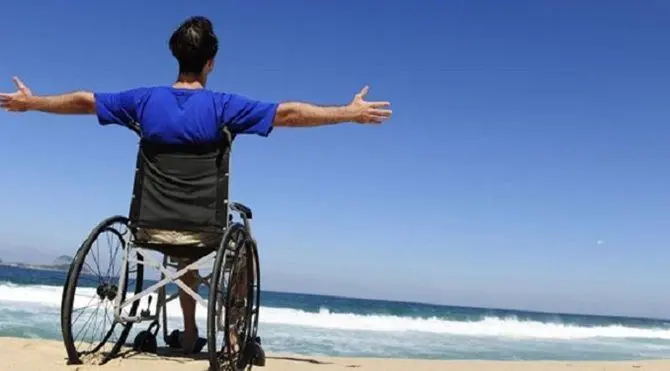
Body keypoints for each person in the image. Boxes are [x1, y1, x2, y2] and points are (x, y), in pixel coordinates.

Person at [0, 16, 392, 354]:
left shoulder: (144, 101)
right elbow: (287, 113)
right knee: (234, 240)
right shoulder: (222, 106)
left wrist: (32, 103)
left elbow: (85, 101)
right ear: (211, 63)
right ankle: (233, 339)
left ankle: (188, 334)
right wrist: (347, 113)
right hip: (206, 228)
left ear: (176, 57)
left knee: (181, 250)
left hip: (148, 226)